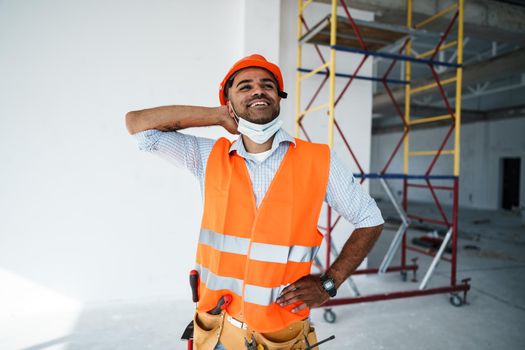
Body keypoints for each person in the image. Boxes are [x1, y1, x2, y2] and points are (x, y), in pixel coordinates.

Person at [126, 54, 384, 350]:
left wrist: (329, 283)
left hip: (282, 334)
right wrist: (216, 115)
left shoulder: (318, 159)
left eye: (267, 85)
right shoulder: (209, 156)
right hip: (219, 328)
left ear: (278, 97)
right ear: (229, 101)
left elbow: (369, 219)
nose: (258, 91)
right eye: (245, 87)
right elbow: (140, 128)